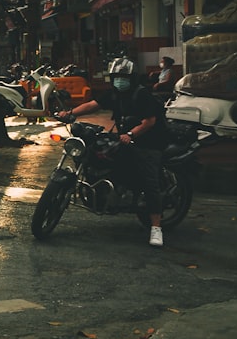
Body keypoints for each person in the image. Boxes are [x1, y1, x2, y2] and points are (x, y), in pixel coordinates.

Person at [55, 56, 171, 247]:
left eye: (123, 76)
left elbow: (149, 122)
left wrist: (131, 134)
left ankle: (156, 228)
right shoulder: (114, 93)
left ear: (132, 77)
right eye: (116, 76)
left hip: (149, 141)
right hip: (125, 137)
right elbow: (93, 105)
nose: (119, 79)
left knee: (150, 182)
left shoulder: (141, 94)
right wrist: (71, 114)